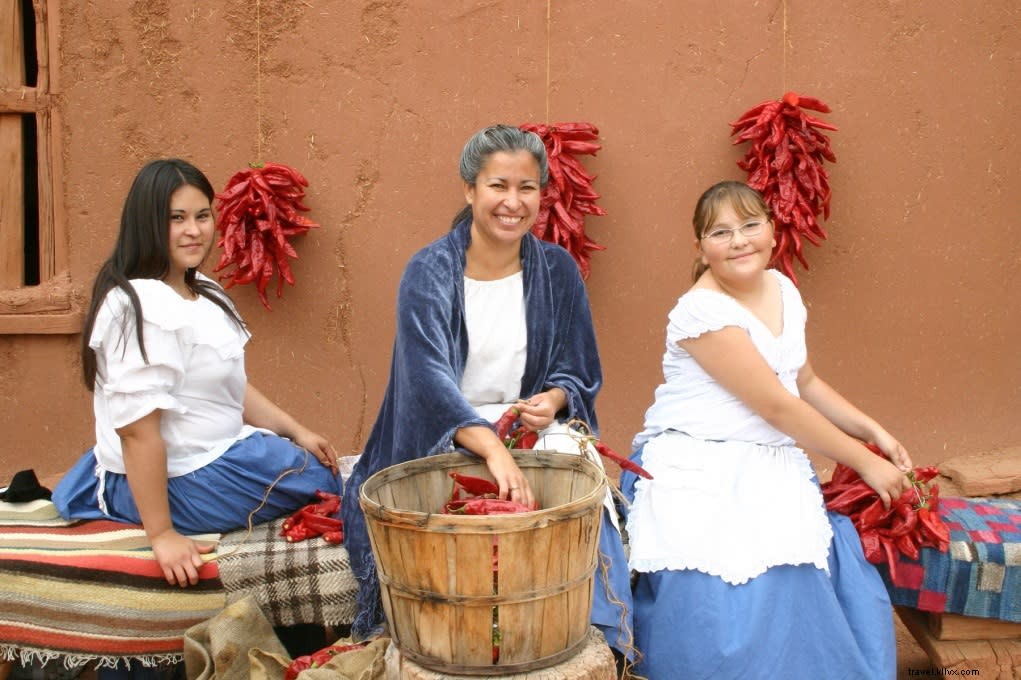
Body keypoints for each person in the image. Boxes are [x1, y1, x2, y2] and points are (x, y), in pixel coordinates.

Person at [340, 124, 634, 662]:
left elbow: (579, 368)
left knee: (582, 498)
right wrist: (495, 452)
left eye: (527, 188)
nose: (512, 202)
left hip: (529, 427)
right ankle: (468, 643)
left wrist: (556, 398)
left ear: (542, 195)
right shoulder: (429, 271)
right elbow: (428, 382)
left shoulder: (557, 270)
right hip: (444, 430)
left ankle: (600, 642)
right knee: (454, 514)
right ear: (469, 189)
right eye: (498, 185)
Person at [621, 180, 912, 679]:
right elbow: (778, 406)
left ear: (773, 231)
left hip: (765, 455)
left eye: (750, 225)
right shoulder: (700, 312)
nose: (739, 241)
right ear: (701, 248)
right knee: (726, 587)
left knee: (801, 561)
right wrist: (865, 463)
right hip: (698, 457)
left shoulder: (782, 289)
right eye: (721, 232)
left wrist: (874, 432)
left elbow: (803, 381)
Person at [53, 158, 341, 590]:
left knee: (316, 467)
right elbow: (137, 431)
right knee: (321, 480)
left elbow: (227, 387)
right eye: (176, 218)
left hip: (210, 455)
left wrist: (295, 430)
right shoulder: (139, 305)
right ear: (147, 223)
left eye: (202, 216)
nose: (194, 230)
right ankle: (131, 501)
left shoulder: (201, 290)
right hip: (183, 477)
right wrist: (162, 535)